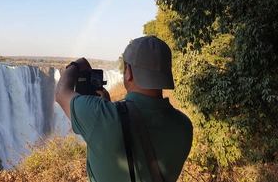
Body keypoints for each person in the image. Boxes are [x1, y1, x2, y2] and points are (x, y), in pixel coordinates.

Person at [55, 35, 193, 182]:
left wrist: (76, 65)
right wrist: (109, 106)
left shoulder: (102, 117)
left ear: (129, 72)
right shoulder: (184, 126)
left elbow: (60, 93)